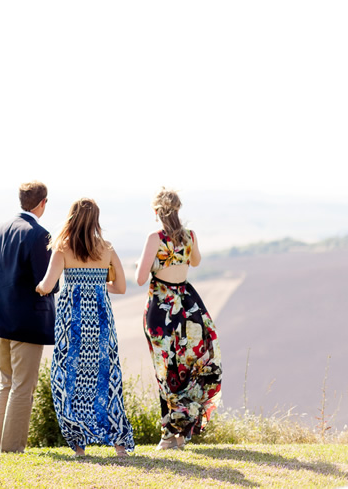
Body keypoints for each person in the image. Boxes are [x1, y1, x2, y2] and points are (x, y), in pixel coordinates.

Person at [36, 198, 135, 457]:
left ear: (72, 218)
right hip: (101, 322)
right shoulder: (108, 248)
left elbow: (47, 285)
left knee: (68, 379)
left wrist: (36, 288)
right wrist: (97, 287)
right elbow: (122, 288)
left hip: (73, 323)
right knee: (106, 376)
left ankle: (79, 447)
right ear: (96, 220)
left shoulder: (62, 248)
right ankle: (119, 446)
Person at [135, 187, 222, 450]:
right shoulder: (190, 236)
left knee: (165, 371)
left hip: (162, 311)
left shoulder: (154, 238)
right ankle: (181, 435)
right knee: (185, 370)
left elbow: (140, 278)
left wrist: (156, 263)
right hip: (188, 309)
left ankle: (168, 435)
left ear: (156, 211)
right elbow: (195, 262)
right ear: (178, 208)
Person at [0, 181, 54, 453]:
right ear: (43, 203)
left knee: (6, 383)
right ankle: (12, 449)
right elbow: (46, 283)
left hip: (2, 317)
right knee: (24, 386)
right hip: (28, 321)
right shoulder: (39, 235)